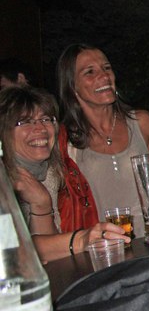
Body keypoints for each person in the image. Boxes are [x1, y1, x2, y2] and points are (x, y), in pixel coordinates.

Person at [0, 86, 128, 262]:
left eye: (46, 119)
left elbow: (49, 258)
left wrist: (41, 204)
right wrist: (82, 239)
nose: (40, 128)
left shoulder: (51, 175)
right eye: (25, 122)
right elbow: (12, 251)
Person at [57, 44, 149, 238]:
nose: (104, 76)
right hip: (104, 249)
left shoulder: (142, 123)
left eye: (106, 68)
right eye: (90, 72)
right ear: (72, 86)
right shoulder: (67, 143)